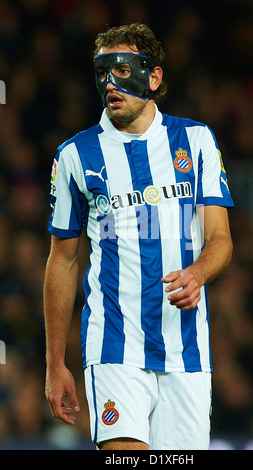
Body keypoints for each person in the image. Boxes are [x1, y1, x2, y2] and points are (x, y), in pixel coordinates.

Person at [44, 22, 234, 451]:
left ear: (154, 77)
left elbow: (220, 239)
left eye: (123, 69)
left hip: (186, 353)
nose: (111, 83)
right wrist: (55, 363)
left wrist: (199, 273)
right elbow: (63, 260)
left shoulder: (196, 140)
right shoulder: (75, 155)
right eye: (102, 72)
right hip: (114, 349)